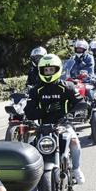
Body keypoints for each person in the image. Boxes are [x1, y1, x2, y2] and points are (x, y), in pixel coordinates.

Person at [25, 53, 84, 184]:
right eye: (46, 70)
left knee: (74, 141)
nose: (48, 72)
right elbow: (28, 112)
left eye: (51, 69)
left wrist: (73, 112)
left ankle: (76, 169)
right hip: (42, 127)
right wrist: (45, 110)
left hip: (63, 124)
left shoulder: (67, 87)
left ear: (58, 70)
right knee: (30, 149)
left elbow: (80, 102)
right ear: (40, 71)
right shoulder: (36, 90)